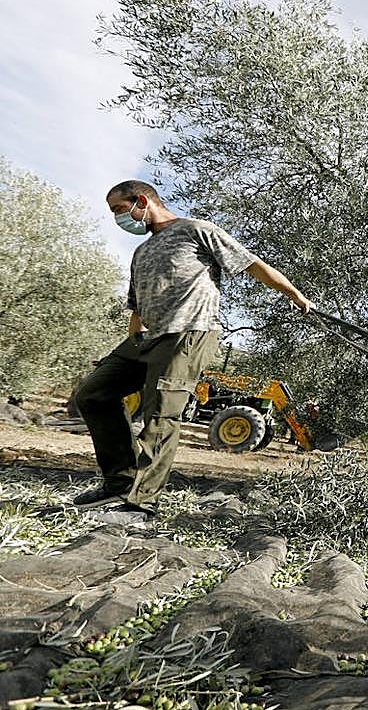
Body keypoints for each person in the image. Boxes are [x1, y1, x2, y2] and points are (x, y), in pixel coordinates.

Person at [71, 180, 313, 526]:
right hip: (146, 338)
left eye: (119, 210)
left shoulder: (196, 231)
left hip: (188, 333)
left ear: (141, 201)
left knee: (161, 413)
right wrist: (131, 341)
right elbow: (136, 305)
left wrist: (295, 295)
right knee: (92, 394)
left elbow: (252, 264)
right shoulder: (141, 252)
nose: (117, 219)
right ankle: (119, 482)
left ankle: (140, 505)